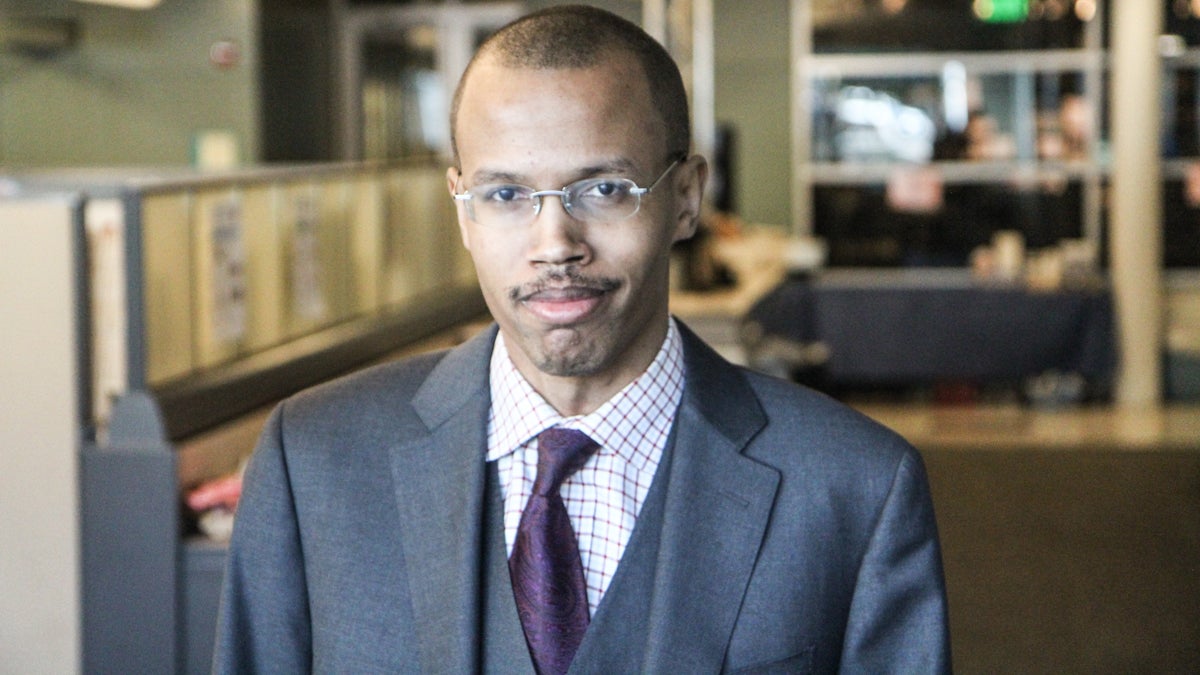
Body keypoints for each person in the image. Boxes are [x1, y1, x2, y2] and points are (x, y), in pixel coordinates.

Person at [214, 5, 951, 673]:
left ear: (687, 197)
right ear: (463, 211)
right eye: (505, 195)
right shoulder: (315, 460)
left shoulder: (854, 488)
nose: (554, 244)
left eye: (603, 189)